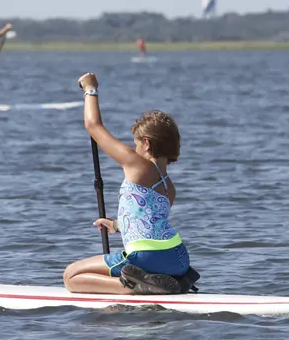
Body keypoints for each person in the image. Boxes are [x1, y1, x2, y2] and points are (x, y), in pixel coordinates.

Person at [63, 72, 195, 295]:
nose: (133, 150)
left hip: (146, 257)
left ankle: (132, 286)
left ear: (146, 143)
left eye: (135, 144)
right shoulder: (169, 187)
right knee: (82, 274)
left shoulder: (139, 165)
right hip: (178, 257)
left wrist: (90, 89)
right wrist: (116, 225)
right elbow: (150, 220)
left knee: (71, 276)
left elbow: (93, 126)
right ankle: (169, 281)